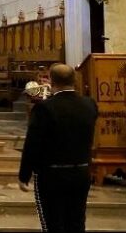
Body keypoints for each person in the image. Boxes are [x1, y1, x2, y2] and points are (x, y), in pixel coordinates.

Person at [18, 64, 98, 233]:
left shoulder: (44, 108)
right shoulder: (90, 105)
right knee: (76, 223)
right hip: (81, 172)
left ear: (52, 81)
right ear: (74, 80)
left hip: (52, 176)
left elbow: (33, 143)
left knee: (53, 225)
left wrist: (24, 175)